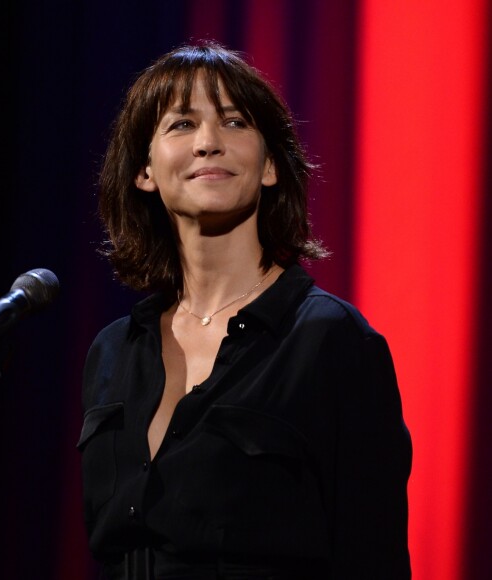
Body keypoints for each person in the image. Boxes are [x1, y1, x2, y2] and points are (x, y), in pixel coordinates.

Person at [79, 42, 412, 579]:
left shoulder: (332, 341)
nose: (209, 143)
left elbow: (372, 556)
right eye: (182, 125)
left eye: (234, 123)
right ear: (144, 170)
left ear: (271, 168)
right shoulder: (114, 350)